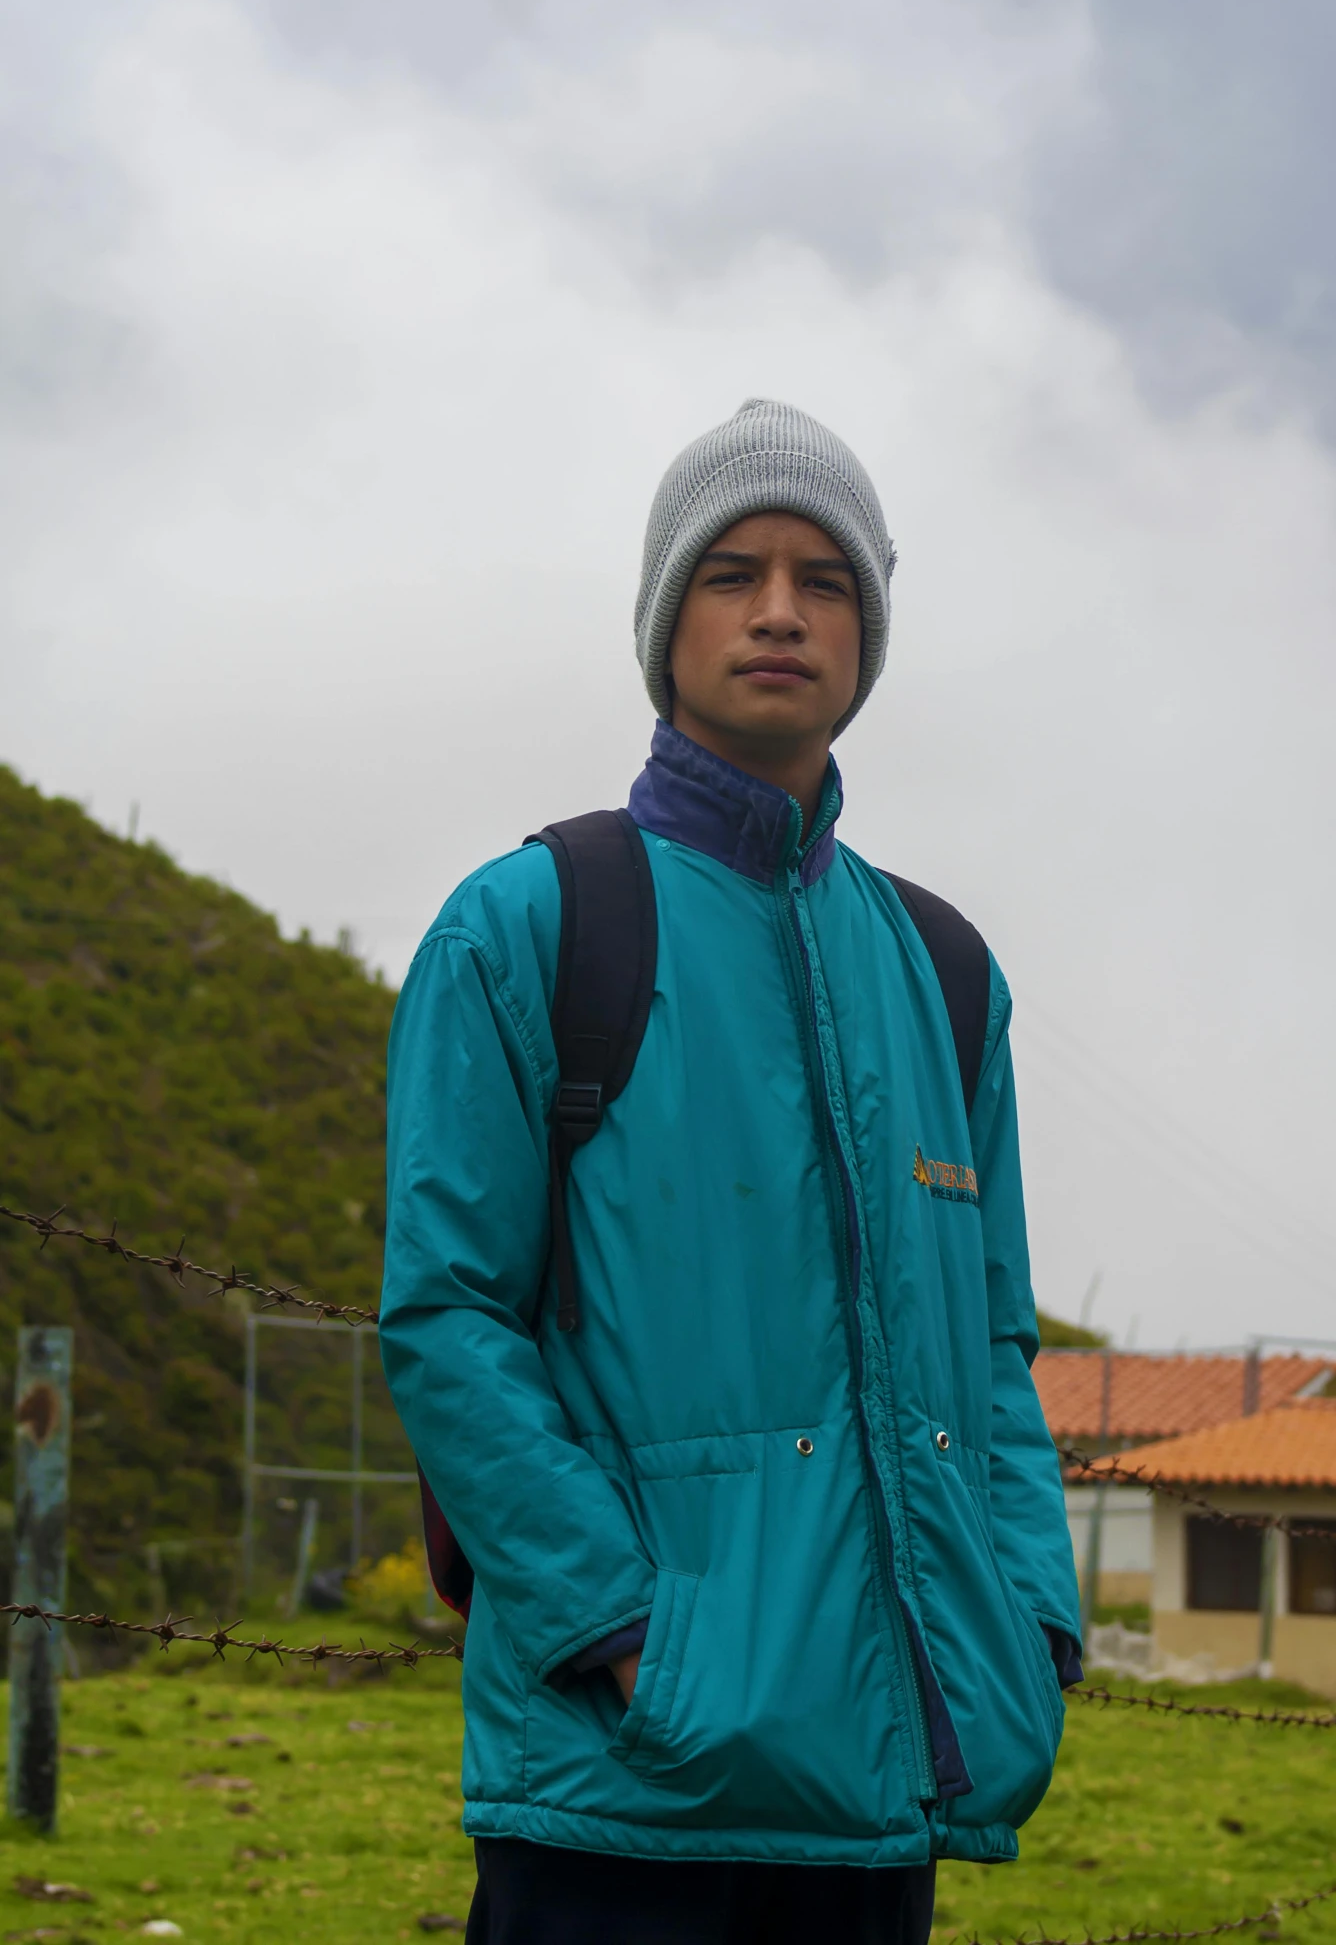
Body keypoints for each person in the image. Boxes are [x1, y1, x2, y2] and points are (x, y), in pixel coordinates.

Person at [380, 399, 1081, 1945]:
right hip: (619, 1797)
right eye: (731, 570)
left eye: (824, 577)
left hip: (886, 1789)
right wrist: (632, 1639)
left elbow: (998, 1346)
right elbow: (446, 1323)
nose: (779, 609)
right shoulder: (529, 924)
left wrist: (1030, 1622)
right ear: (665, 619)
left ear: (867, 631)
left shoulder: (947, 970)